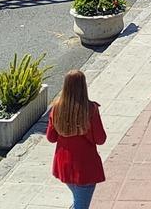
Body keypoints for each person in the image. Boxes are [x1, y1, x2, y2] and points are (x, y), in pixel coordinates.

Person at [46, 68, 107, 209]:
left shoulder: (56, 108)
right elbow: (100, 139)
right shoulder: (90, 109)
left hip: (64, 165)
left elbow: (51, 137)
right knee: (81, 205)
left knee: (78, 201)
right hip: (85, 167)